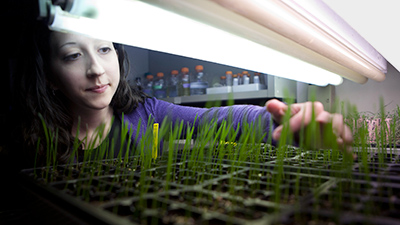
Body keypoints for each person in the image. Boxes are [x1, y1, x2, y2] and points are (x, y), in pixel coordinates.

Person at [11, 21, 353, 167]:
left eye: (104, 49)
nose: (96, 69)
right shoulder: (26, 139)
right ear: (51, 77)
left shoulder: (145, 113)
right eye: (73, 55)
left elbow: (216, 120)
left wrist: (279, 123)